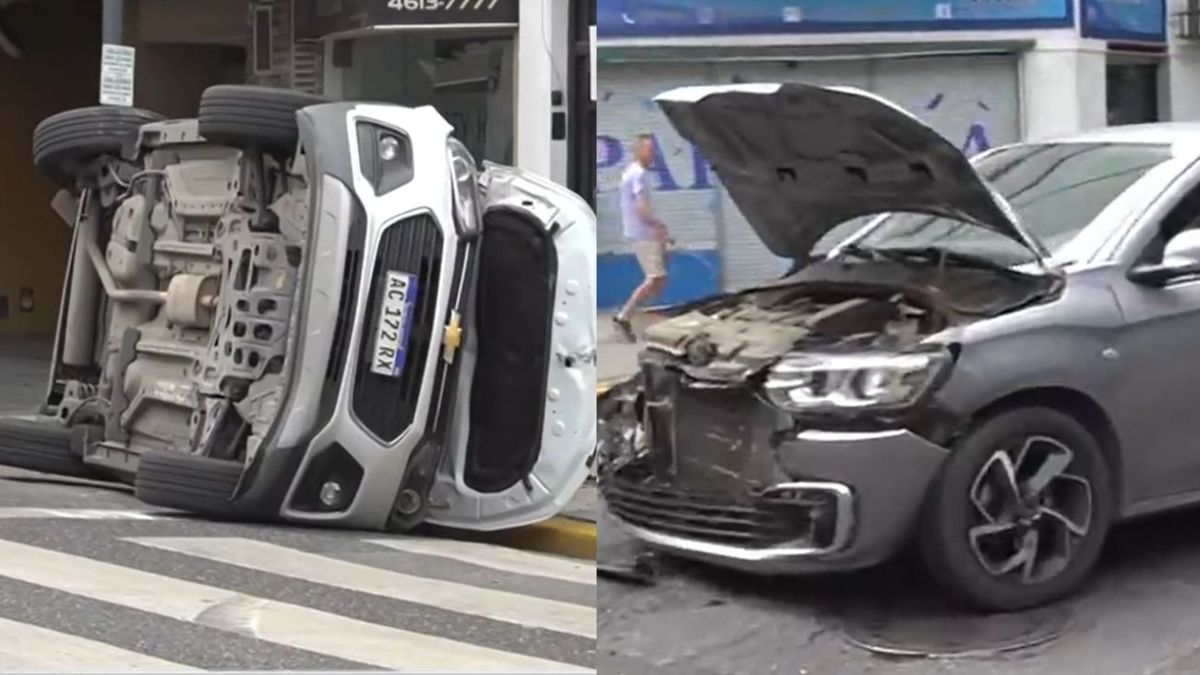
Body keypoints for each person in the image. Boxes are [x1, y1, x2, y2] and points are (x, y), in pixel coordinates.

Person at [613, 134, 670, 342]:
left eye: (653, 149)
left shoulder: (633, 173)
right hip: (643, 233)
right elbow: (640, 206)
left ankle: (643, 314)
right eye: (649, 149)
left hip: (641, 232)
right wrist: (655, 225)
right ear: (638, 151)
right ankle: (624, 317)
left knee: (660, 277)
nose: (652, 154)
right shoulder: (637, 174)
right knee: (654, 277)